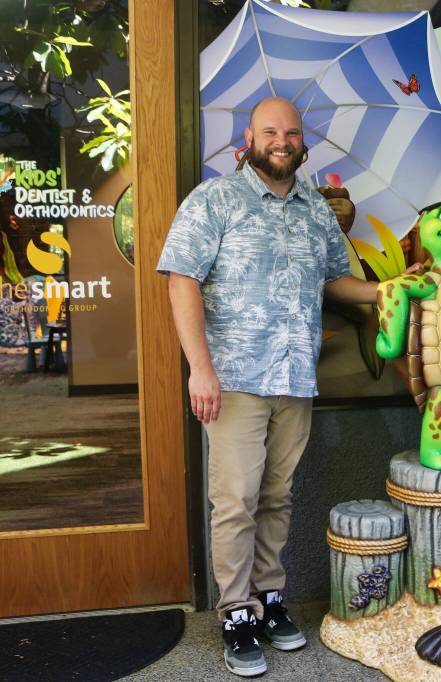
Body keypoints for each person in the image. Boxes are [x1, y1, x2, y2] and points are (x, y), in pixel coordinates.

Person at [158, 96, 385, 677]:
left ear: (302, 143)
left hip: (294, 376)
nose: (281, 141)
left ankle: (269, 598)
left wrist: (387, 290)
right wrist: (200, 368)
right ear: (250, 140)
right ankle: (237, 612)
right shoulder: (214, 199)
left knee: (277, 497)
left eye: (291, 133)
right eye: (270, 132)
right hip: (234, 378)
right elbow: (181, 281)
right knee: (235, 499)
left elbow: (335, 282)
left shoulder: (315, 210)